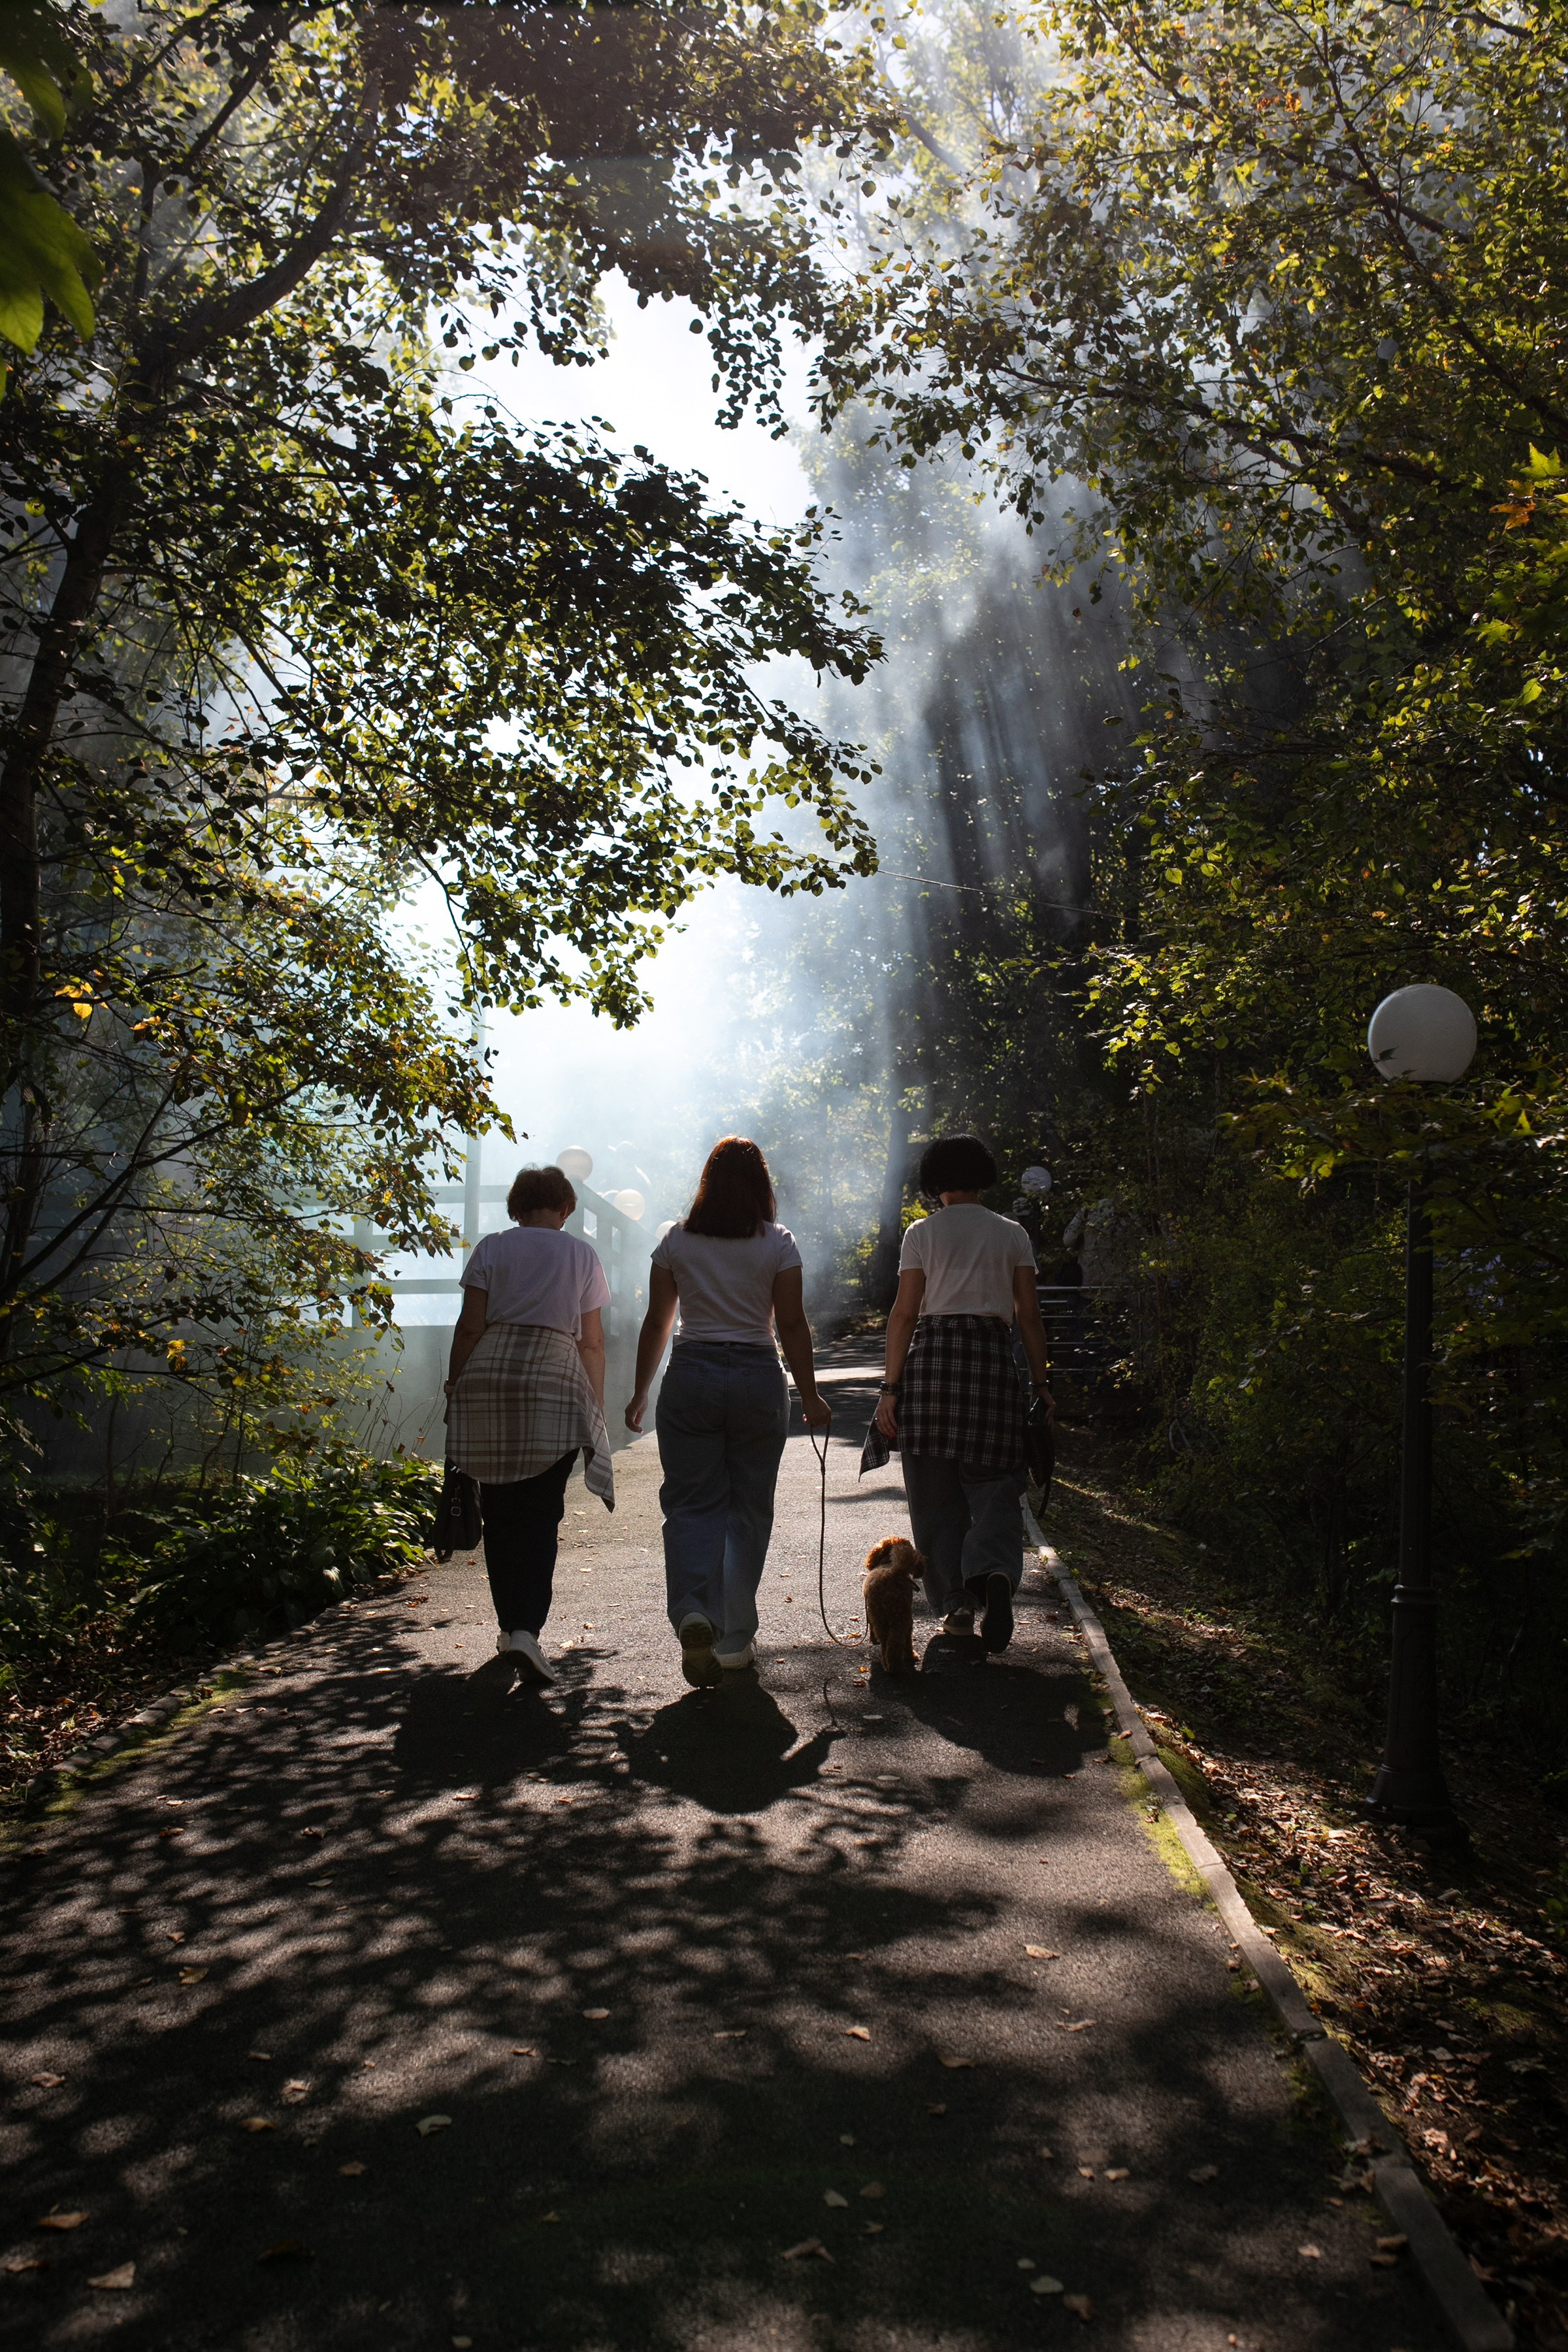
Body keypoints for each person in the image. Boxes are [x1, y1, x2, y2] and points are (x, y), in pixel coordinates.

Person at [625, 1136, 831, 1687]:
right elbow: (791, 1323)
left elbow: (658, 1321)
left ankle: (695, 1610)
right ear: (762, 1184)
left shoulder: (676, 1239)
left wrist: (640, 1391)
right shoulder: (778, 1242)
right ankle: (735, 1637)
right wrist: (811, 1395)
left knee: (691, 1503)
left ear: (707, 1183)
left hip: (691, 1374)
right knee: (748, 1507)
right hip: (757, 1379)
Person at [862, 1135, 1054, 1653]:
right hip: (991, 1369)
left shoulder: (921, 1234)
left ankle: (957, 1606)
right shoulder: (1012, 1234)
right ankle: (994, 1572)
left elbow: (905, 1314)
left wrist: (890, 1388)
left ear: (935, 1182)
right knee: (996, 1486)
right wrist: (1041, 1384)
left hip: (931, 1371)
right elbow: (1029, 1317)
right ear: (983, 1177)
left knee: (934, 1499)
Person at [444, 1163, 613, 1687]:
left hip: (490, 1380)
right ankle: (525, 1631)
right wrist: (595, 1406)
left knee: (499, 1512)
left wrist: (455, 1387)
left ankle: (509, 1627)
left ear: (516, 1208)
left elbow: (470, 1327)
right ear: (566, 1208)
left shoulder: (492, 1248)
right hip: (554, 1383)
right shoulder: (582, 1255)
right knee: (540, 1513)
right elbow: (591, 1343)